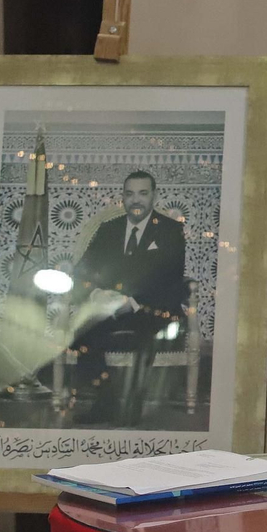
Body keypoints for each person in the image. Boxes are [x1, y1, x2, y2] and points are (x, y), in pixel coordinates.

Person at [69, 170, 188, 424]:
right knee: (82, 334)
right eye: (130, 194)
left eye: (143, 194)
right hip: (112, 310)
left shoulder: (170, 231)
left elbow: (170, 278)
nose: (136, 200)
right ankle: (106, 403)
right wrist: (96, 293)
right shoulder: (108, 230)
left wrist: (132, 303)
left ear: (153, 196)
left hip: (154, 309)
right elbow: (83, 270)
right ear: (122, 197)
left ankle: (131, 408)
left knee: (146, 336)